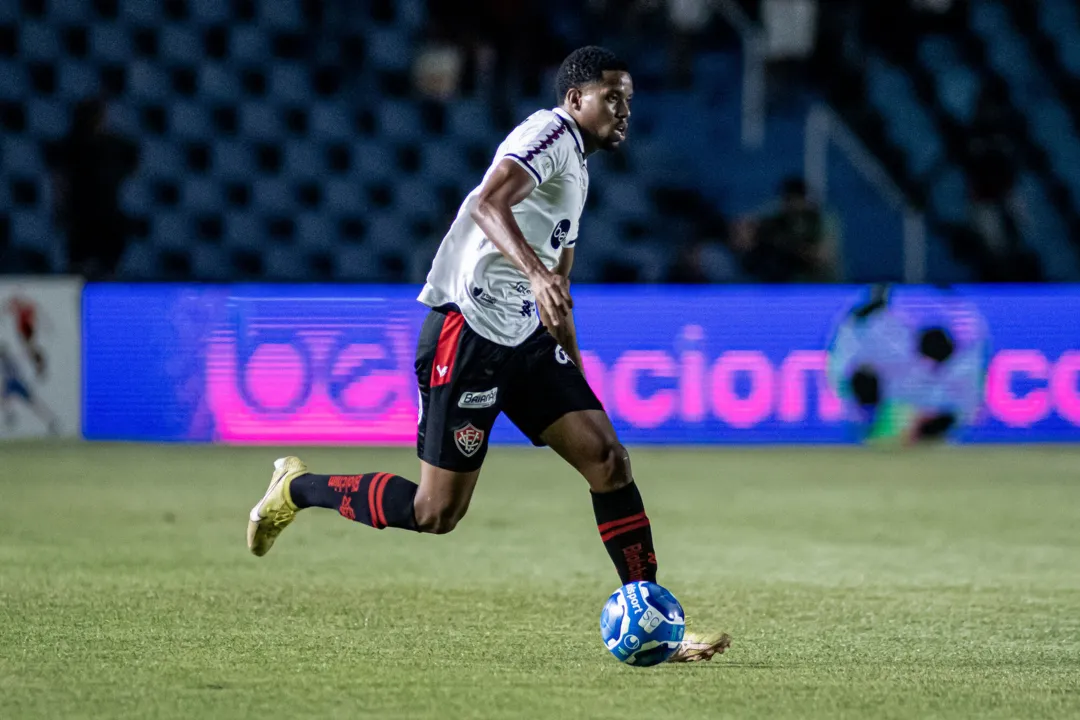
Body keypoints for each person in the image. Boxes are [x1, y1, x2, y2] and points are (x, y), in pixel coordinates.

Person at [246, 46, 730, 663]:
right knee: (435, 512)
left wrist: (573, 373)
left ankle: (655, 619)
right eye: (614, 97)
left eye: (629, 99)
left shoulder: (577, 170)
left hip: (524, 341)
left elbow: (560, 283)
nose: (625, 109)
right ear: (576, 99)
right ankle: (298, 488)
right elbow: (486, 203)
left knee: (608, 460)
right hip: (467, 332)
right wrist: (534, 275)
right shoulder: (547, 132)